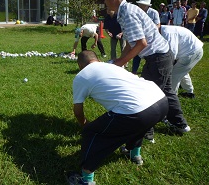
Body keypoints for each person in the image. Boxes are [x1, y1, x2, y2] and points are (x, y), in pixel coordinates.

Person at [103, 0, 190, 143]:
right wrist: (119, 61)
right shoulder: (124, 12)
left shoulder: (127, 13)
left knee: (148, 96)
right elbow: (131, 42)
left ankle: (146, 134)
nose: (105, 3)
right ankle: (181, 125)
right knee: (167, 92)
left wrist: (119, 63)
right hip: (159, 56)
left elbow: (141, 43)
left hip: (158, 58)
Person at [67, 50, 168, 185]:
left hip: (137, 111)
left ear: (80, 65)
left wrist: (86, 125)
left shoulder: (82, 76)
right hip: (160, 101)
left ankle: (85, 179)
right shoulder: (112, 66)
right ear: (96, 59)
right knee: (138, 125)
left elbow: (78, 111)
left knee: (91, 133)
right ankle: (134, 154)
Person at [160, 25, 203, 99]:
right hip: (192, 50)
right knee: (182, 72)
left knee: (174, 75)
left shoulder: (168, 33)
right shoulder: (164, 30)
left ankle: (171, 96)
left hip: (192, 52)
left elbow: (172, 53)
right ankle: (189, 92)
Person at [132, 0, 161, 74]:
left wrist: (151, 32)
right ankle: (134, 71)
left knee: (150, 56)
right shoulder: (137, 12)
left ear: (148, 6)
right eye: (140, 4)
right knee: (137, 54)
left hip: (151, 38)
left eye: (143, 5)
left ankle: (149, 71)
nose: (141, 6)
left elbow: (158, 25)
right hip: (140, 36)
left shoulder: (154, 13)